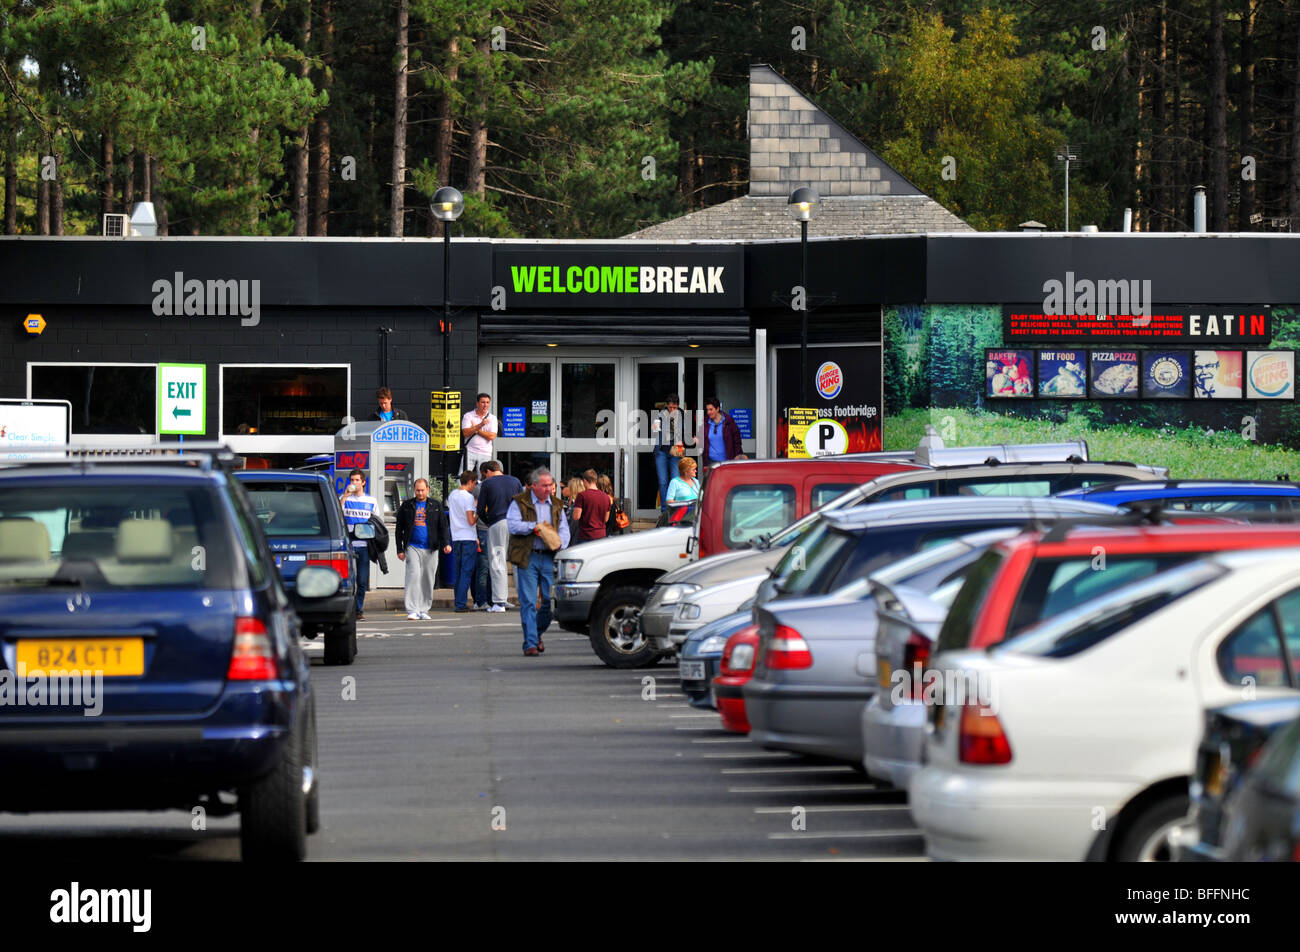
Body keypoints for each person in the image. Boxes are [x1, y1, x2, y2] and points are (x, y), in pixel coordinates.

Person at [506, 467, 570, 656]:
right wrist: (534, 527)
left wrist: (561, 544)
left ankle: (537, 633)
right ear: (534, 485)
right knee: (528, 601)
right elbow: (512, 524)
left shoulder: (557, 504)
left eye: (550, 485)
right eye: (544, 485)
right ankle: (531, 644)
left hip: (550, 556)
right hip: (529, 555)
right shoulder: (520, 502)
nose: (548, 489)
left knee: (550, 602)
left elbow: (564, 529)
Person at [395, 478, 451, 620]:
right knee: (413, 576)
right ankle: (412, 609)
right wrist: (399, 549)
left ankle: (424, 609)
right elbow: (399, 528)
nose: (420, 493)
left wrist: (446, 543)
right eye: (417, 490)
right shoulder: (407, 506)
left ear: (428, 490)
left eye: (422, 490)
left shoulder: (436, 505)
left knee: (428, 578)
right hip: (412, 546)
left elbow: (443, 527)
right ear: (414, 490)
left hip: (431, 548)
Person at [477, 460, 523, 611]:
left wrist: (489, 522)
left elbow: (480, 510)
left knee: (498, 562)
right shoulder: (515, 481)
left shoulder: (487, 484)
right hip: (516, 524)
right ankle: (523, 598)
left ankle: (499, 602)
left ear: (488, 471)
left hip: (498, 522)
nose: (485, 478)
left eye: (484, 475)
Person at [339, 469, 379, 621]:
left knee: (362, 580)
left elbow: (377, 521)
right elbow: (337, 513)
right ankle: (348, 609)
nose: (354, 483)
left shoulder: (371, 501)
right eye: (352, 480)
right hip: (349, 544)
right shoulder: (344, 498)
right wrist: (345, 496)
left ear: (363, 482)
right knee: (349, 579)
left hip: (364, 545)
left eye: (357, 480)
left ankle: (358, 609)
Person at [447, 470, 479, 613]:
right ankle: (460, 603)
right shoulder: (468, 498)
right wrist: (478, 511)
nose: (475, 486)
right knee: (467, 571)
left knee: (458, 572)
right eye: (475, 483)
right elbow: (471, 521)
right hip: (468, 537)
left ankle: (458, 600)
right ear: (471, 481)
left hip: (456, 537)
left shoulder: (452, 495)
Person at [652, 393, 687, 512]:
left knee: (675, 480)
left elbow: (686, 432)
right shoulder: (661, 413)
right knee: (662, 482)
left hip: (675, 453)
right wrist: (655, 426)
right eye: (670, 407)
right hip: (661, 451)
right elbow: (655, 429)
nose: (672, 409)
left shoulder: (682, 414)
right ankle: (664, 511)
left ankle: (675, 510)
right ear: (667, 406)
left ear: (678, 406)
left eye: (674, 407)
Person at [700, 396, 745, 481]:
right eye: (707, 410)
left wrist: (738, 457)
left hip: (727, 462)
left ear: (717, 409)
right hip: (711, 462)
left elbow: (737, 441)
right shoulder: (706, 422)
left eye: (711, 409)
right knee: (712, 486)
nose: (708, 412)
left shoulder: (729, 422)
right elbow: (701, 439)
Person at [461, 393, 498, 474]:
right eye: (483, 402)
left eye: (487, 402)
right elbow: (466, 433)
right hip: (470, 451)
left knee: (484, 478)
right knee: (462, 477)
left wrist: (476, 429)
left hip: (485, 452)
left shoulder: (492, 418)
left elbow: (492, 436)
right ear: (477, 403)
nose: (485, 405)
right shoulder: (468, 416)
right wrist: (481, 424)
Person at [572, 469, 612, 542]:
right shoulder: (606, 497)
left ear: (585, 481)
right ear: (596, 481)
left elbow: (576, 517)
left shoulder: (582, 495)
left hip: (586, 535)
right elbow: (606, 519)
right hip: (601, 535)